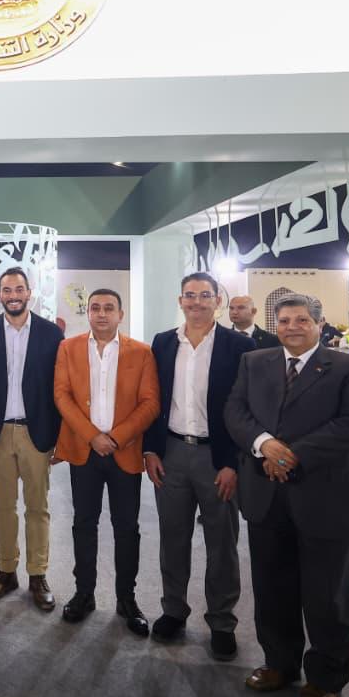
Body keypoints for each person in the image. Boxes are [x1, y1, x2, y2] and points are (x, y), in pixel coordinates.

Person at [226, 294, 349, 697]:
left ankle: (326, 678)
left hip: (324, 495)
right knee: (272, 586)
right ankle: (280, 663)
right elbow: (235, 411)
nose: (292, 327)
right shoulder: (254, 362)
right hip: (265, 494)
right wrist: (264, 444)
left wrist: (289, 455)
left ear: (319, 324)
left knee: (328, 595)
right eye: (284, 320)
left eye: (302, 320)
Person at [145, 272, 256, 660]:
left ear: (217, 302)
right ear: (180, 301)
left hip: (218, 458)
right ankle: (173, 610)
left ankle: (222, 622)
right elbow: (153, 399)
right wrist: (151, 450)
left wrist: (234, 463)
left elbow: (246, 407)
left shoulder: (239, 346)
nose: (196, 302)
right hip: (172, 453)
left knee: (222, 543)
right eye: (189, 296)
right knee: (172, 538)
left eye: (204, 295)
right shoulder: (163, 342)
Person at [52, 288, 160, 635]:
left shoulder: (141, 352)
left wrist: (115, 437)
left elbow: (150, 403)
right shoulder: (68, 348)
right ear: (88, 313)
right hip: (84, 451)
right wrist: (91, 436)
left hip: (123, 452)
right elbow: (61, 395)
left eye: (108, 308)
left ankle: (126, 599)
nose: (101, 313)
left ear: (120, 315)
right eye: (95, 308)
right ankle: (84, 594)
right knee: (84, 523)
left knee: (126, 527)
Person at [0, 266, 64, 611]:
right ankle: (6, 571)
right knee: (4, 507)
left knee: (37, 507)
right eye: (7, 290)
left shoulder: (51, 334)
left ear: (29, 293)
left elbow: (59, 388)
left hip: (35, 432)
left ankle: (37, 574)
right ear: (0, 295)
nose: (13, 296)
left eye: (19, 289)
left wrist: (59, 436)